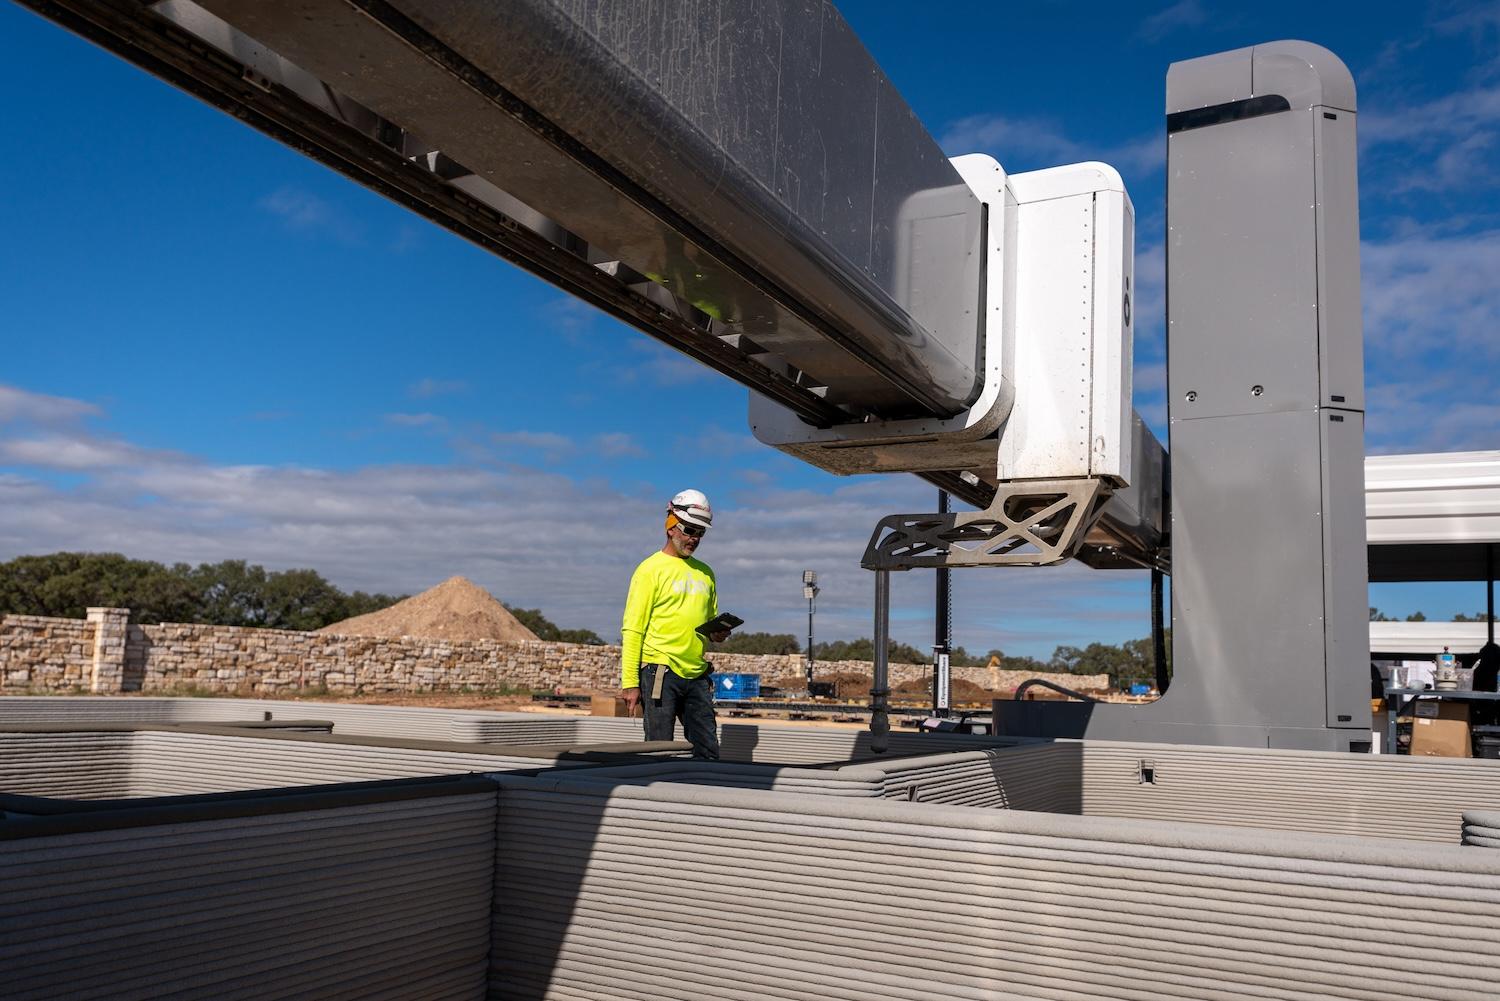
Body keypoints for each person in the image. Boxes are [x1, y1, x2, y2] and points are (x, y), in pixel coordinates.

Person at [619, 489, 730, 759]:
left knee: (707, 749)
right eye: (689, 530)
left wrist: (717, 634)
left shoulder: (706, 574)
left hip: (696, 673)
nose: (694, 538)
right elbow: (633, 629)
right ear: (671, 527)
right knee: (657, 749)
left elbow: (708, 623)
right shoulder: (650, 569)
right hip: (660, 671)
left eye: (700, 533)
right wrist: (630, 682)